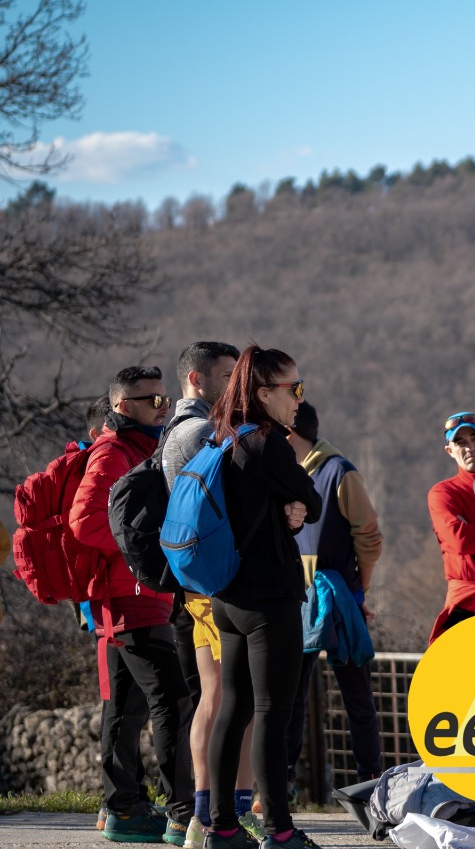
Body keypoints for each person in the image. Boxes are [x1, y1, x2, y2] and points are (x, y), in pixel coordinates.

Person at [68, 365, 196, 846]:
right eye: (153, 402)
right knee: (174, 700)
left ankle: (122, 808)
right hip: (131, 596)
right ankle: (182, 812)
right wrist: (142, 548)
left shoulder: (139, 448)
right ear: (124, 406)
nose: (163, 409)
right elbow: (85, 523)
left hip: (135, 596)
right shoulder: (113, 451)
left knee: (126, 706)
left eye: (166, 400)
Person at [202, 344, 321, 849]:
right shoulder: (269, 445)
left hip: (226, 596)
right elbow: (312, 500)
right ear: (261, 392)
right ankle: (279, 831)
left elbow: (289, 504)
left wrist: (288, 506)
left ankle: (222, 827)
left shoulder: (225, 438)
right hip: (268, 597)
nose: (298, 398)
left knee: (233, 708)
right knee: (274, 711)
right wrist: (295, 504)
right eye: (291, 388)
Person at [158, 341, 260, 849]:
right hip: (218, 583)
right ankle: (225, 812)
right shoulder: (202, 433)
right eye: (226, 374)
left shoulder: (175, 432)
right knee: (232, 701)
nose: (233, 383)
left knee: (214, 698)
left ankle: (205, 814)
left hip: (195, 583)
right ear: (197, 380)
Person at [284, 402, 385, 788]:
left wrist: (360, 591)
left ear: (291, 432)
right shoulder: (286, 475)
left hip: (336, 594)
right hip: (297, 596)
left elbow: (369, 536)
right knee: (291, 693)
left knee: (355, 689)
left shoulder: (339, 472)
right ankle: (284, 779)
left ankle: (369, 778)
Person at [426, 412, 475, 644]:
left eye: (474, 438)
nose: (469, 447)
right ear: (450, 451)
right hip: (467, 602)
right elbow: (458, 539)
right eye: (460, 442)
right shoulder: (444, 493)